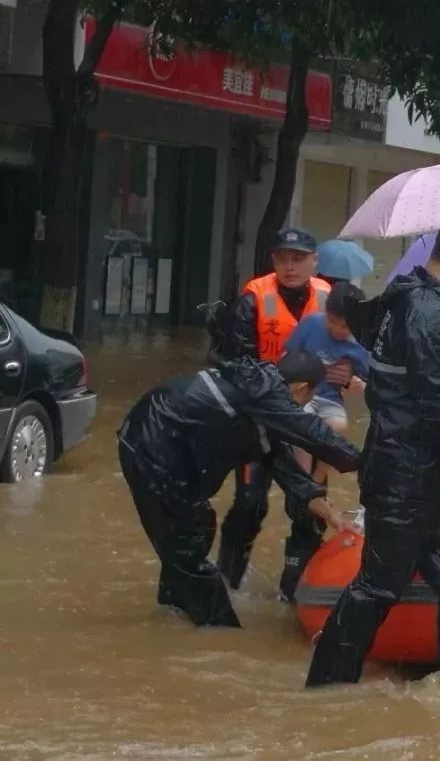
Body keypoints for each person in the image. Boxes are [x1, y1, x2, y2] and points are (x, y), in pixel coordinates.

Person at [305, 209, 440, 688]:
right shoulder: (429, 314)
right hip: (404, 476)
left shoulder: (402, 299)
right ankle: (326, 685)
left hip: (429, 476)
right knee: (378, 585)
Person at [116, 352, 363, 628]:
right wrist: (369, 465)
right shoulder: (268, 395)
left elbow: (286, 469)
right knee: (188, 547)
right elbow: (315, 434)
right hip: (150, 447)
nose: (304, 407)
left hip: (163, 444)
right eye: (310, 398)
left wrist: (331, 515)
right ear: (302, 388)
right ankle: (219, 632)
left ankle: (173, 612)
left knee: (195, 530)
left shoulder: (258, 392)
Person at [217, 227, 343, 602]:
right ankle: (226, 581)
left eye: (299, 258)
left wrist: (348, 373)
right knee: (249, 501)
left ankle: (297, 587)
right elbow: (233, 360)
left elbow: (359, 351)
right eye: (283, 258)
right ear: (273, 260)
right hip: (260, 414)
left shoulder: (332, 300)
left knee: (309, 501)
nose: (290, 266)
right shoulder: (253, 299)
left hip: (310, 415)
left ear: (314, 262)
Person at [284, 281, 371, 486]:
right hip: (302, 394)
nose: (338, 330)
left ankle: (318, 477)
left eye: (345, 326)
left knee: (339, 426)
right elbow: (286, 357)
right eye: (332, 321)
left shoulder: (360, 344)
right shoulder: (311, 324)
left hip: (330, 399)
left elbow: (371, 383)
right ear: (325, 313)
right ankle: (303, 477)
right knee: (303, 420)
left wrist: (355, 384)